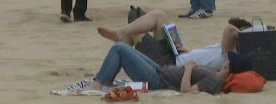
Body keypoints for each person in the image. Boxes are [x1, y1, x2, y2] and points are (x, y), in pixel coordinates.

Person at [97, 8, 265, 70]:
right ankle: (120, 40)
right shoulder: (228, 50)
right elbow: (208, 57)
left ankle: (120, 39)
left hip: (169, 64)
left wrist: (245, 35)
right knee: (159, 15)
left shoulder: (233, 53)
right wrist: (189, 51)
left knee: (133, 32)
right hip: (177, 56)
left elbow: (229, 30)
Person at [82, 42, 227, 94]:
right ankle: (106, 81)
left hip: (158, 80)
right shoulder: (215, 73)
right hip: (161, 70)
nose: (226, 62)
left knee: (119, 48)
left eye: (229, 63)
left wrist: (188, 69)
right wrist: (190, 54)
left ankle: (97, 84)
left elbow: (186, 91)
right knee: (123, 46)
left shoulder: (213, 81)